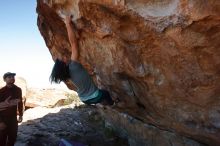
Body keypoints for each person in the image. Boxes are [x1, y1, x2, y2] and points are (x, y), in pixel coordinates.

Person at [50, 15, 114, 105]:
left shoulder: (68, 74)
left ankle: (103, 103)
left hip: (84, 99)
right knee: (105, 93)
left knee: (99, 95)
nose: (63, 57)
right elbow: (73, 44)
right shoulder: (73, 66)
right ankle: (112, 104)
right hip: (95, 96)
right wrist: (68, 24)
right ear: (63, 64)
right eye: (62, 59)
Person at [0, 72, 23, 146]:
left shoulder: (18, 90)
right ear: (4, 79)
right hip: (3, 118)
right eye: (9, 77)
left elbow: (20, 103)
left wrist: (20, 115)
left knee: (13, 138)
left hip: (13, 119)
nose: (12, 78)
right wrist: (0, 122)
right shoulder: (1, 91)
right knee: (2, 139)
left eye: (13, 77)